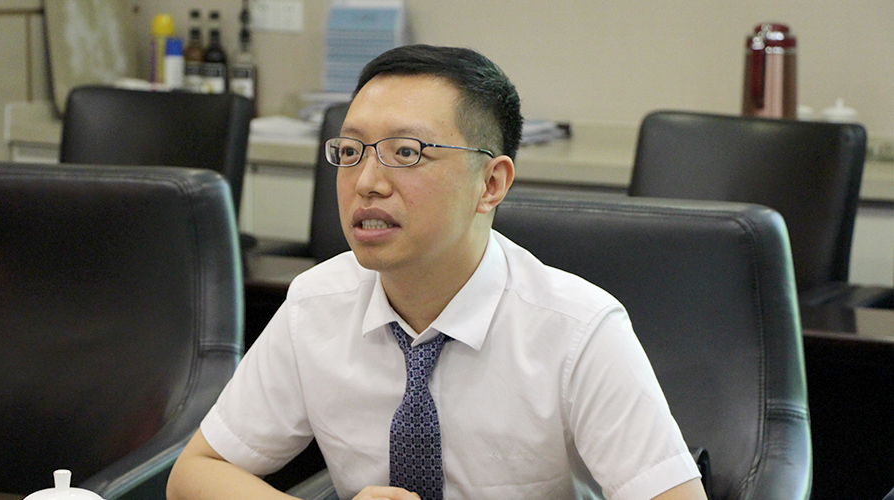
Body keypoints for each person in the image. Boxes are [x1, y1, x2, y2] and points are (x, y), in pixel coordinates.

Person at [167, 44, 707, 500]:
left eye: (406, 152)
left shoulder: (577, 330)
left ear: (490, 184)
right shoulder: (316, 304)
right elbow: (196, 473)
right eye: (351, 151)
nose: (367, 182)